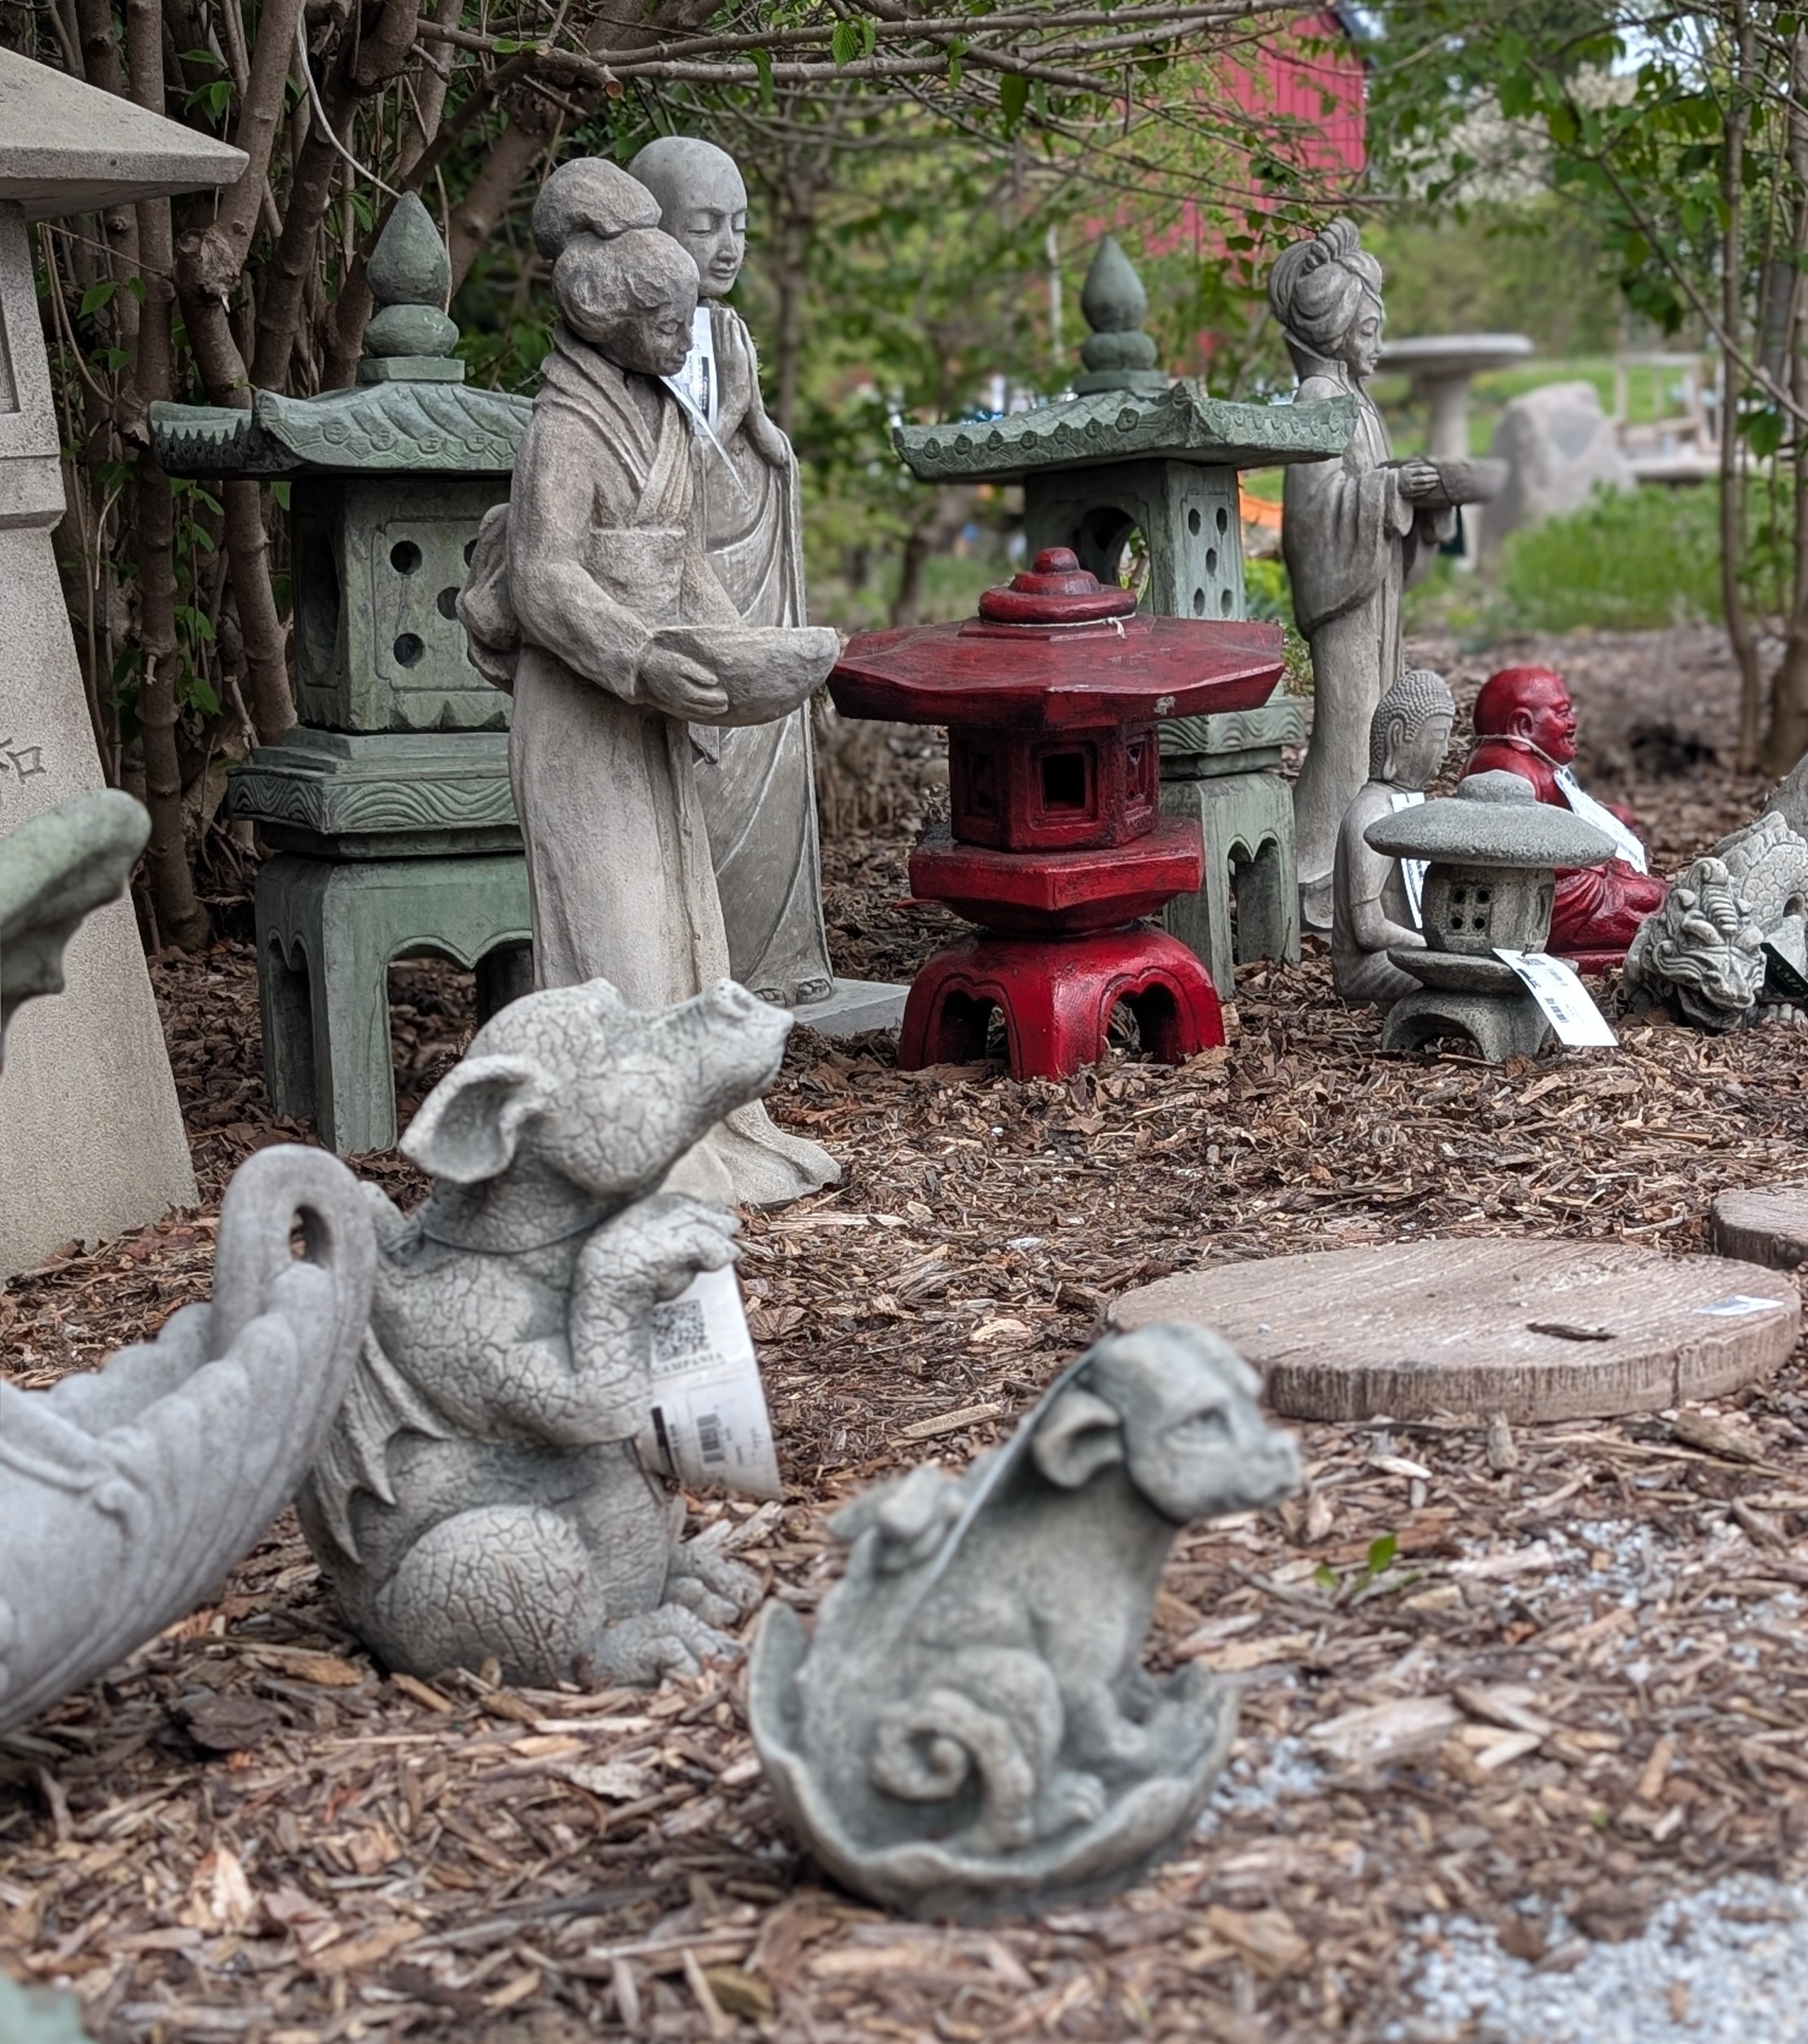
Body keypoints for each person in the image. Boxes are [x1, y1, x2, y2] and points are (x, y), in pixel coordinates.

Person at [487, 156, 838, 1207]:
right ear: (610, 311)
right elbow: (541, 575)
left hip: (653, 710)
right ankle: (623, 1157)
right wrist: (637, 656)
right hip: (585, 710)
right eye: (669, 321)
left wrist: (745, 660)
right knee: (617, 935)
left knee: (688, 926)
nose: (687, 341)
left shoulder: (658, 416)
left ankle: (708, 1132)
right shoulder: (563, 427)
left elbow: (683, 563)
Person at [627, 136, 836, 1010]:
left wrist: (768, 449)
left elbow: (741, 421)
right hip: (686, 568)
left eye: (738, 225)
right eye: (704, 224)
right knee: (699, 764)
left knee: (772, 756)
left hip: (751, 553)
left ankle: (781, 957)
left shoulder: (732, 330)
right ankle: (705, 962)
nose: (727, 244)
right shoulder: (630, 345)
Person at [1268, 219, 1485, 932]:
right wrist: (1393, 492)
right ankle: (1309, 880)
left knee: (1377, 732)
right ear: (1335, 331)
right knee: (1350, 733)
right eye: (1368, 329)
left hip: (1375, 591)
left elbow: (1361, 487)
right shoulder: (1315, 404)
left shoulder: (1356, 406)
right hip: (1345, 600)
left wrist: (1410, 491)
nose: (1379, 344)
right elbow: (1312, 519)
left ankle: (1370, 879)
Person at [1461, 664, 1668, 960]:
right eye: (1561, 713)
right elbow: (1522, 850)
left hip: (1574, 874)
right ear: (1522, 726)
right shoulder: (1506, 767)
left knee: (1648, 890)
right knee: (1651, 899)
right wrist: (1594, 866)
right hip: (1541, 894)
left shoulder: (1535, 763)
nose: (1573, 722)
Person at [1332, 669, 1455, 1007]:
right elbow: (1369, 930)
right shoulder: (1372, 815)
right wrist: (1431, 947)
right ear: (1399, 735)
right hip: (1367, 968)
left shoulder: (1404, 806)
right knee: (1458, 982)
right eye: (1439, 737)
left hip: (1404, 951)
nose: (1447, 750)